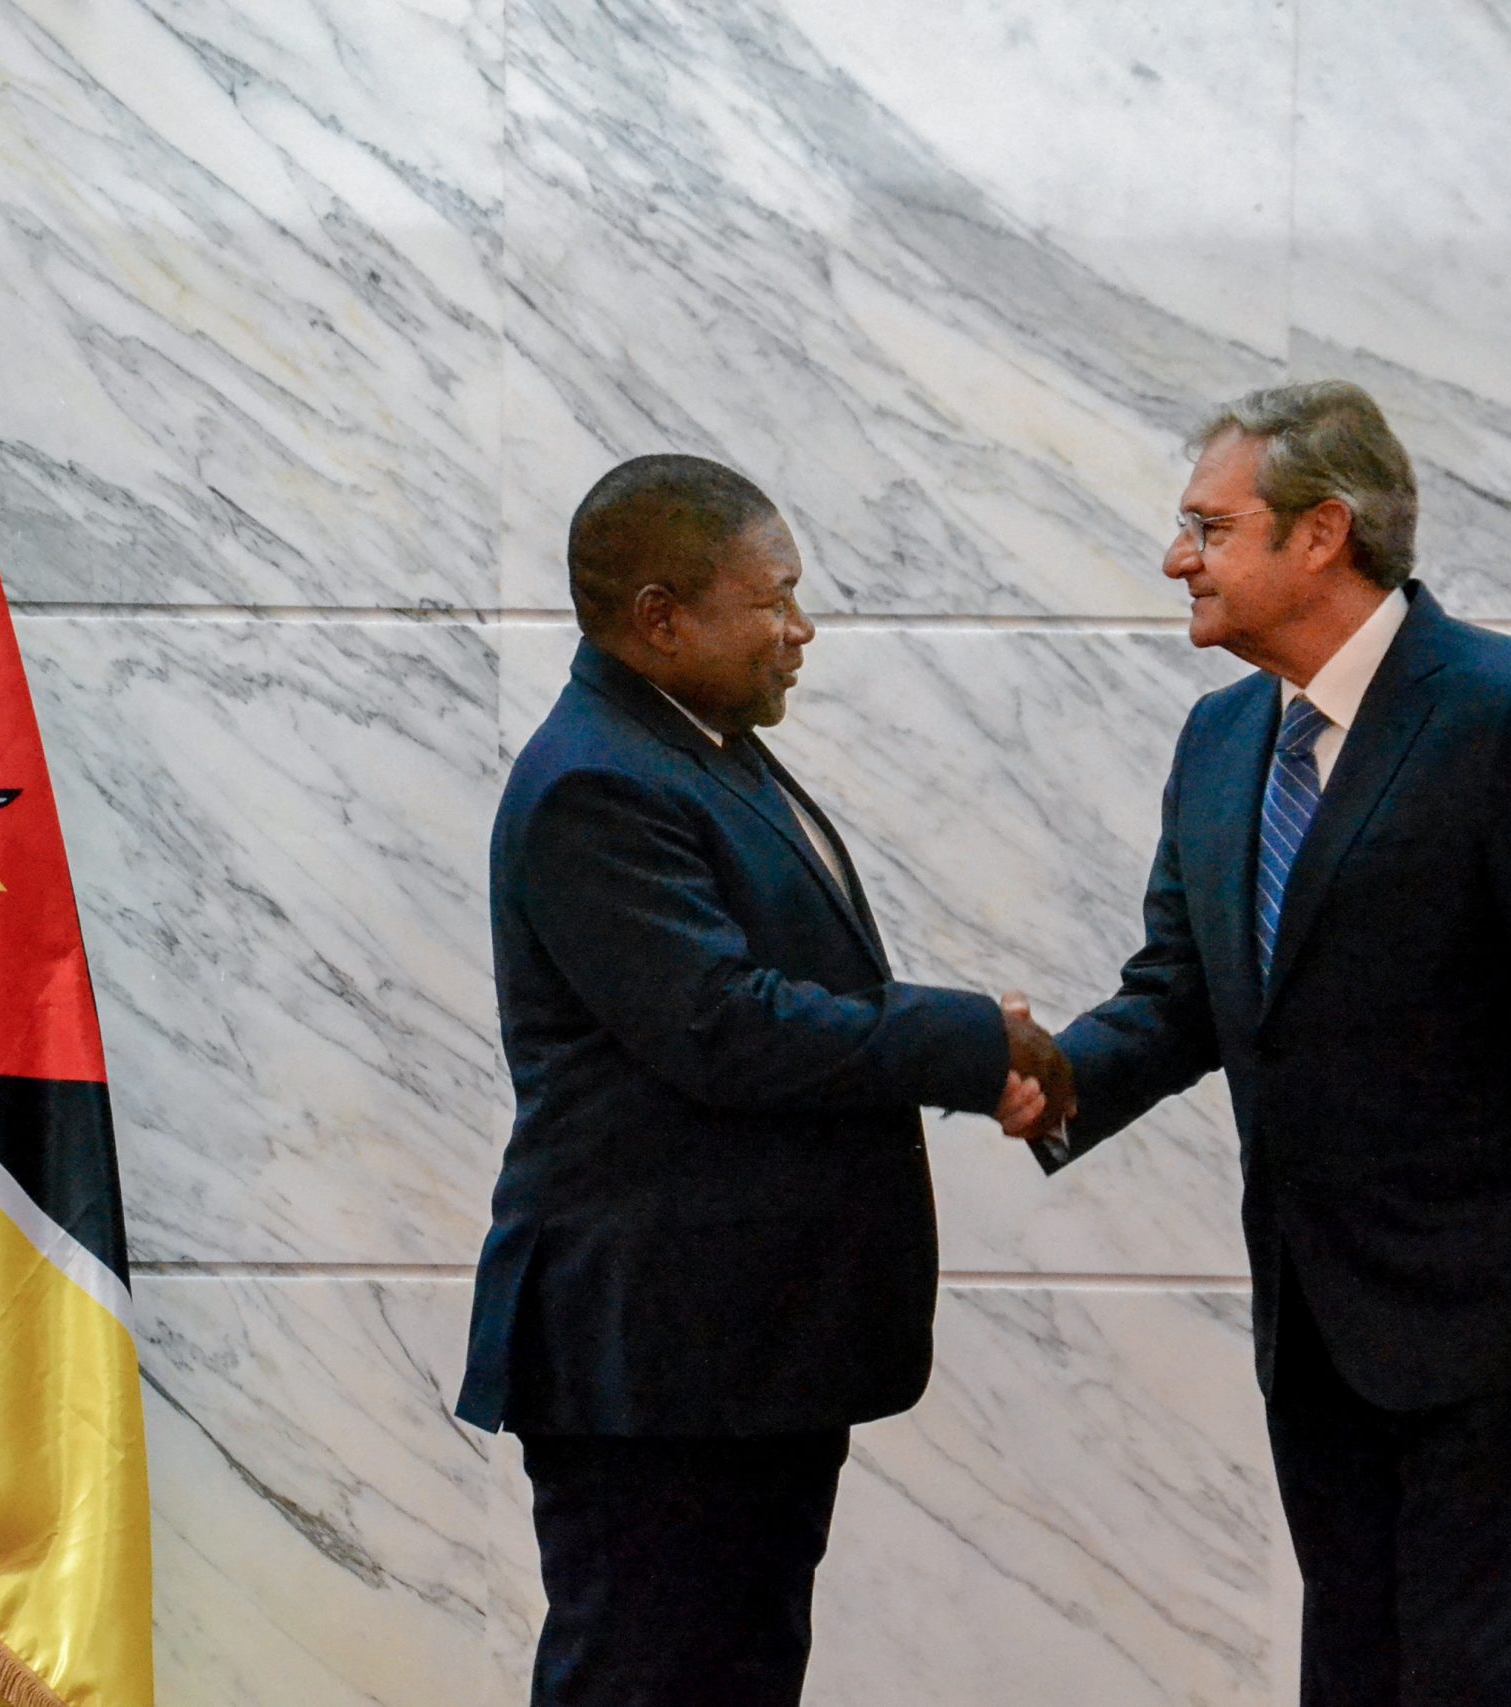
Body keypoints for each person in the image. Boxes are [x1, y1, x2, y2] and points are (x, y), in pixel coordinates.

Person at [1003, 383, 1511, 1706]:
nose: (1175, 557)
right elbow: (1184, 991)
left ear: (1321, 535)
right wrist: (1054, 1077)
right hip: (1317, 1332)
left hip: (1499, 1341)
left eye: (1208, 526)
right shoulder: (1220, 739)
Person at [458, 453, 1071, 1707]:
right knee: (642, 1678)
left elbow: (790, 989)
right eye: (773, 600)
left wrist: (968, 1040)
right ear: (661, 618)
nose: (802, 631)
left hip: (739, 1359)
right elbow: (723, 1026)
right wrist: (971, 1042)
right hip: (655, 1369)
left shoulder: (698, 747)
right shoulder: (595, 779)